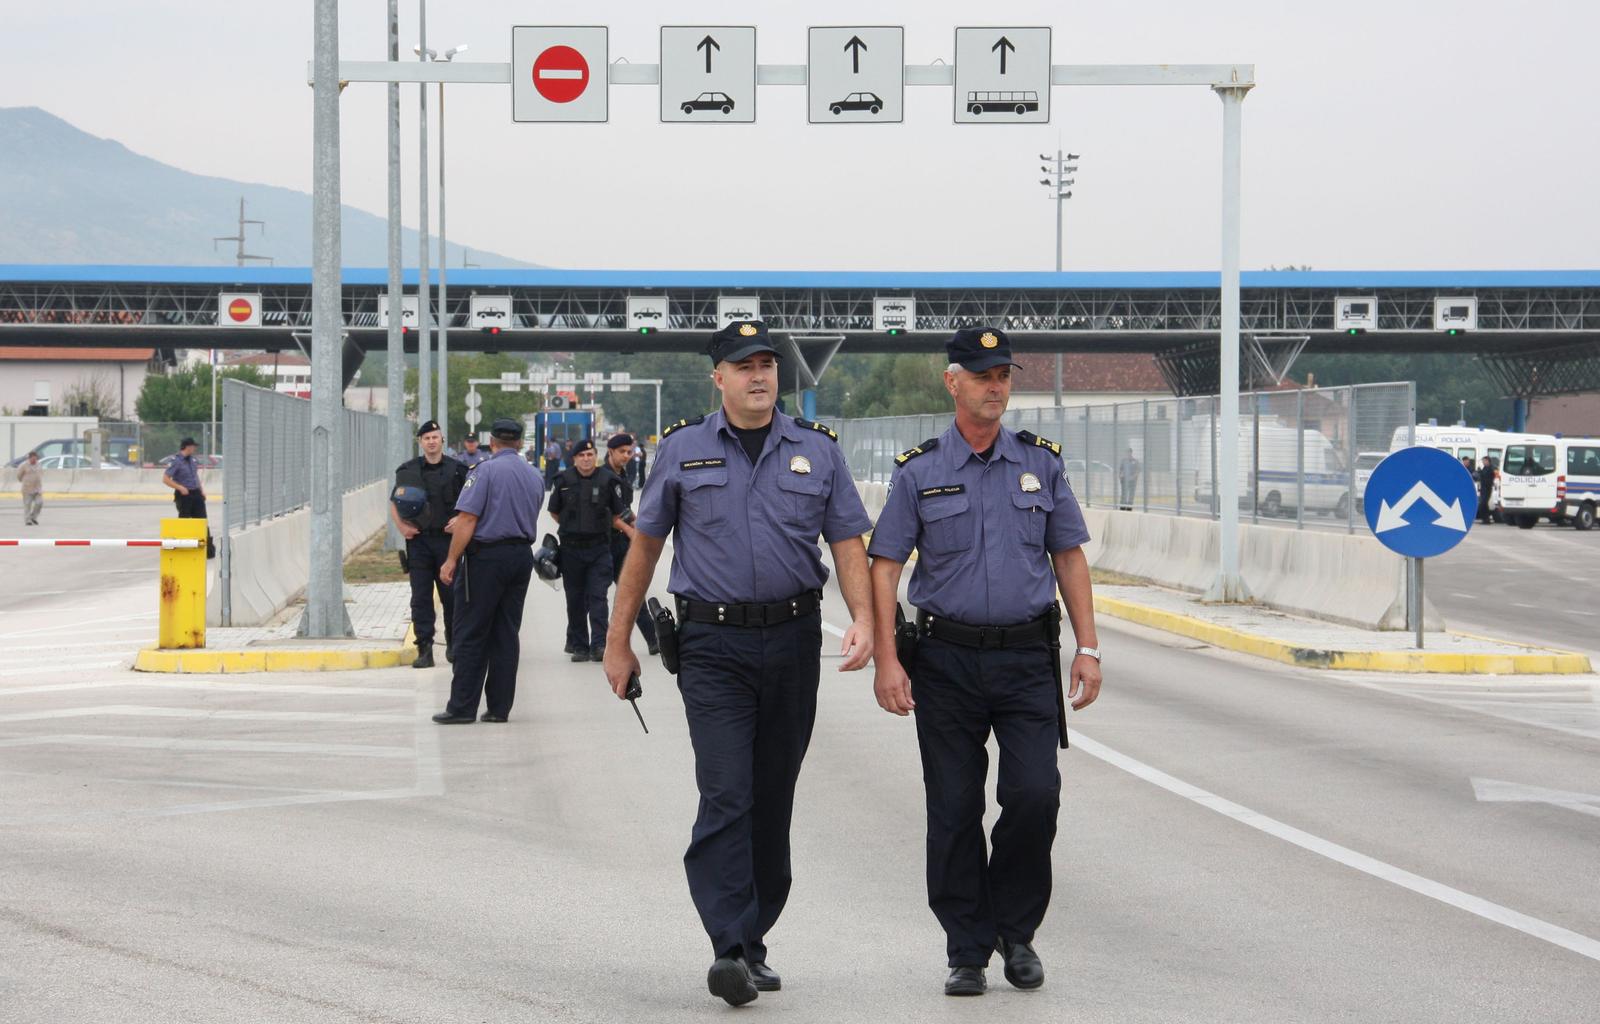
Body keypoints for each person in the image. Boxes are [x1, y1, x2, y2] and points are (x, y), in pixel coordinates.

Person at [603, 320, 875, 1007]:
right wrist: (618, 638)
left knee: (771, 799)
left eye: (768, 364)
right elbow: (645, 549)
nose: (759, 375)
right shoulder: (683, 451)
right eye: (744, 365)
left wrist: (867, 618)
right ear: (717, 377)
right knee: (727, 791)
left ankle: (753, 937)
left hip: (791, 642)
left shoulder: (817, 452)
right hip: (712, 647)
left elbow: (847, 545)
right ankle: (726, 945)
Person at [867, 326, 1103, 998]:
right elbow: (886, 568)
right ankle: (967, 948)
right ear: (954, 383)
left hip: (1028, 659)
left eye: (1003, 374)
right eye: (982, 374)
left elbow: (1069, 557)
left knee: (1034, 795)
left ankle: (1016, 930)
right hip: (945, 661)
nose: (996, 386)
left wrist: (1087, 647)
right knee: (952, 808)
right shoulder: (920, 471)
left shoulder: (1041, 464)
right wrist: (889, 658)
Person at [432, 418, 545, 724]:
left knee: (471, 632)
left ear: (492, 442)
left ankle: (461, 707)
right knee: (506, 634)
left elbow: (468, 520)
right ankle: (498, 708)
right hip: (520, 556)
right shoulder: (535, 476)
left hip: (486, 559)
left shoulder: (484, 471)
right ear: (519, 443)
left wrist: (451, 559)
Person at [391, 420, 470, 668]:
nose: (431, 442)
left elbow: (471, 502)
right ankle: (424, 649)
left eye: (435, 437)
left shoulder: (458, 470)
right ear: (420, 442)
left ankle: (454, 646)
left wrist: (459, 520)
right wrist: (402, 527)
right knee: (421, 598)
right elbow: (394, 501)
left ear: (442, 440)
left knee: (452, 598)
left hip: (449, 543)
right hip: (420, 543)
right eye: (427, 438)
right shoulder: (409, 470)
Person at [548, 438, 627, 662]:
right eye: (581, 455)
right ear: (574, 459)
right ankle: (580, 646)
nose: (586, 459)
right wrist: (572, 528)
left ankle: (599, 645)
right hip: (571, 550)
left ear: (596, 456)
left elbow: (616, 513)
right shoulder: (563, 480)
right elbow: (554, 512)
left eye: (590, 455)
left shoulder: (608, 480)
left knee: (598, 598)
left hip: (599, 549)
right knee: (574, 600)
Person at [603, 432, 660, 656]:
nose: (626, 456)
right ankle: (596, 643)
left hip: (621, 544)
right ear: (611, 452)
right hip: (603, 543)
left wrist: (641, 526)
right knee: (595, 598)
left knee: (633, 592)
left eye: (629, 452)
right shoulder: (602, 476)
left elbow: (624, 509)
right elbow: (605, 512)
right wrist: (629, 530)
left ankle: (653, 640)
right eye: (622, 452)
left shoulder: (623, 475)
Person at [162, 437, 216, 558]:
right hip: (184, 495)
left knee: (202, 520)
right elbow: (165, 479)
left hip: (196, 493)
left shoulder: (193, 460)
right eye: (193, 446)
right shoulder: (175, 461)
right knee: (185, 521)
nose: (195, 448)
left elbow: (195, 476)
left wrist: (201, 491)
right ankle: (184, 547)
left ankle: (207, 549)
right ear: (188, 447)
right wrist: (180, 487)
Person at [17, 451, 42, 526]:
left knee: (39, 503)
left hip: (37, 488)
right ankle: (27, 520)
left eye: (36, 459)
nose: (35, 460)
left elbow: (40, 473)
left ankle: (33, 517)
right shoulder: (24, 465)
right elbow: (19, 475)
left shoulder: (39, 464)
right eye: (33, 459)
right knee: (27, 505)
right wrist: (24, 482)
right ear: (29, 458)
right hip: (27, 489)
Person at [1117, 446, 1141, 510]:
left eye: (1129, 452)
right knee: (1123, 494)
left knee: (1131, 495)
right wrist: (1120, 476)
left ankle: (1129, 508)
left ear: (1131, 453)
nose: (1128, 454)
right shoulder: (1123, 461)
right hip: (1124, 481)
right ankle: (1122, 507)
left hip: (1132, 481)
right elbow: (1120, 470)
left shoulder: (1135, 461)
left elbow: (1137, 470)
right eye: (1127, 452)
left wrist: (1133, 477)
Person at [1478, 454, 1498, 524]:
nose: (1483, 462)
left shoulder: (1490, 469)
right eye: (1483, 461)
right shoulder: (1484, 468)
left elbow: (1488, 479)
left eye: (1484, 461)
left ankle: (1486, 519)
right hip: (1483, 489)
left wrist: (1482, 474)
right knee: (1484, 505)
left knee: (1483, 504)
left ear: (1487, 461)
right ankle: (1485, 519)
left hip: (1487, 489)